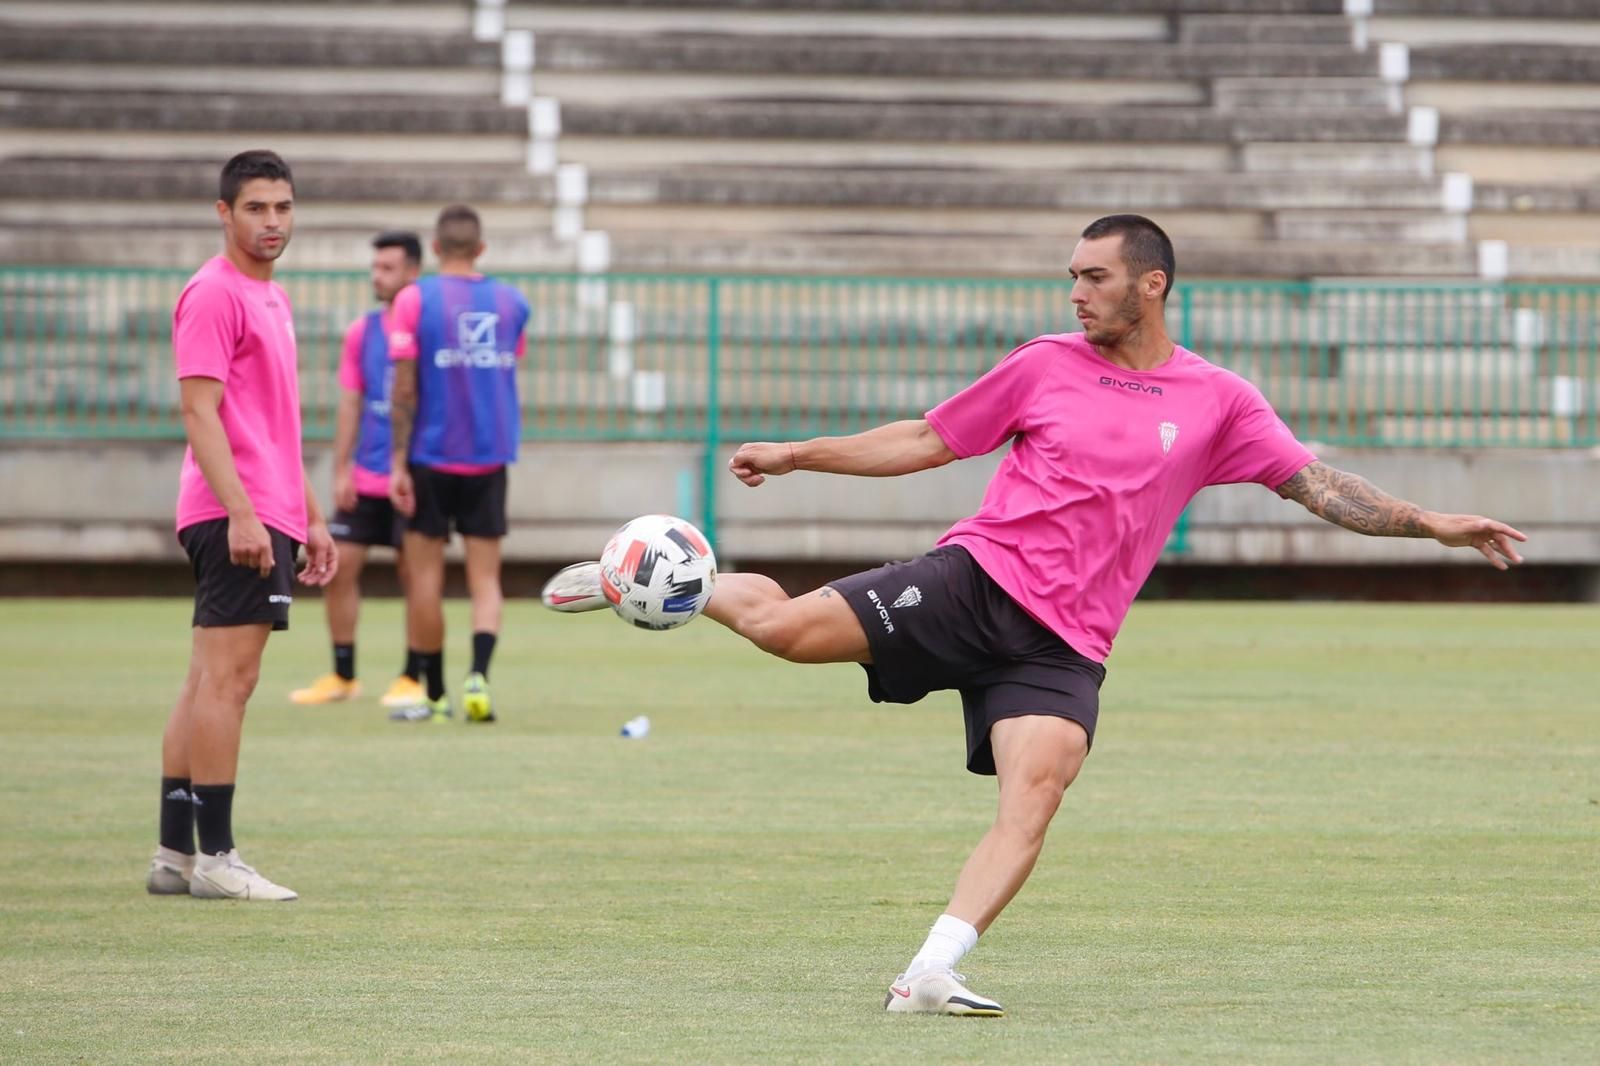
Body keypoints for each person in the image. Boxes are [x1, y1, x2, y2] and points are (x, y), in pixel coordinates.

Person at [539, 214, 1528, 1015]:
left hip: (1066, 644)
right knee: (783, 631)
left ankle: (929, 968)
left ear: (1151, 284)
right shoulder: (1044, 362)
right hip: (976, 582)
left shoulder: (1219, 400)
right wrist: (800, 453)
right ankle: (656, 578)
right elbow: (927, 439)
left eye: (1094, 275)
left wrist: (1428, 522)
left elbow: (1315, 484)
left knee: (1035, 797)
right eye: (1071, 275)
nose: (1075, 291)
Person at [147, 150, 338, 902]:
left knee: (205, 680)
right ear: (224, 213)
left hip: (266, 509)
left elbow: (273, 425)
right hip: (236, 514)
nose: (272, 222)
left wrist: (311, 517)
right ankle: (219, 858)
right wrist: (242, 513)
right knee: (231, 681)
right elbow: (200, 411)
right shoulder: (215, 293)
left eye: (283, 207)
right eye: (256, 208)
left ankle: (174, 855)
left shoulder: (272, 297)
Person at [386, 204, 530, 724]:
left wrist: (398, 462)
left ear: (437, 247)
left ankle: (436, 695)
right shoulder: (513, 303)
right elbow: (511, 366)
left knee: (424, 580)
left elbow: (404, 386)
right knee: (485, 579)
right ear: (482, 249)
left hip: (430, 456)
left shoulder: (413, 300)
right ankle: (480, 678)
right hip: (489, 457)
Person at [290, 231, 426, 710]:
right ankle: (343, 673)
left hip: (412, 476)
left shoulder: (428, 327)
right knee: (337, 566)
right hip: (366, 476)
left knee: (417, 575)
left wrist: (408, 464)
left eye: (387, 268)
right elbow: (351, 402)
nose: (377, 276)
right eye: (375, 267)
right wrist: (341, 467)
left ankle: (415, 675)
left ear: (413, 272)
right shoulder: (361, 332)